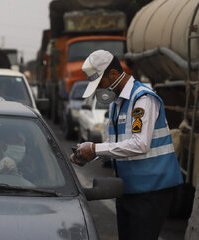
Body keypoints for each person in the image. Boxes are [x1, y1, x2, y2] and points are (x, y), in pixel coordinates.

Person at [70, 50, 183, 240]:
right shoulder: (117, 103)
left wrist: (96, 149)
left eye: (101, 83)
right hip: (129, 189)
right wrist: (91, 151)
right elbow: (117, 144)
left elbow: (140, 144)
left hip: (151, 191)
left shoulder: (142, 99)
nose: (100, 89)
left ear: (113, 74)